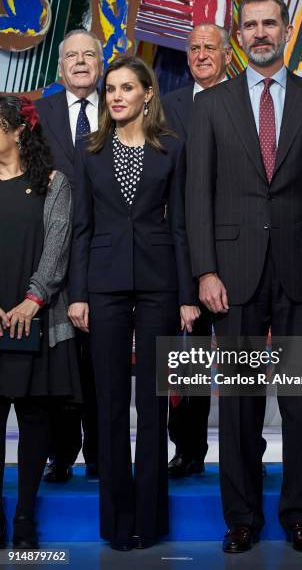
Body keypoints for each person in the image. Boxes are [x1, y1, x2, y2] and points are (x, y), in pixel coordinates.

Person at [186, 0, 302, 554]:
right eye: (250, 25)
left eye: (269, 24)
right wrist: (204, 269)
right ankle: (242, 520)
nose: (259, 33)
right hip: (232, 274)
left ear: (285, 30)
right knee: (239, 405)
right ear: (239, 33)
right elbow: (196, 197)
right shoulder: (210, 105)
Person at [68, 55, 199, 551]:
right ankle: (116, 523)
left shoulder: (171, 149)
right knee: (110, 404)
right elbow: (81, 227)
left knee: (153, 405)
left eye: (127, 88)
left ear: (147, 94)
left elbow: (181, 224)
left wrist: (188, 294)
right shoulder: (89, 151)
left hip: (159, 282)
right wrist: (77, 293)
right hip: (101, 285)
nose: (116, 96)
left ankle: (149, 520)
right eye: (110, 90)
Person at [0, 95, 80, 548]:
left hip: (38, 319)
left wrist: (34, 298)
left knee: (34, 422)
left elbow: (58, 248)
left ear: (17, 131)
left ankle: (25, 517)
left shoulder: (53, 182)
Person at [162, 23, 232, 478]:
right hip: (182, 247)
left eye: (210, 47)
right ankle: (186, 448)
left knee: (238, 356)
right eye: (193, 48)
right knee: (185, 356)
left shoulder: (247, 100)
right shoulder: (167, 106)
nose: (201, 54)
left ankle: (247, 448)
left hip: (239, 247)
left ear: (229, 54)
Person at [36, 29, 104, 482]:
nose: (80, 62)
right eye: (71, 57)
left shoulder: (125, 107)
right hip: (54, 250)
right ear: (60, 69)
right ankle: (60, 453)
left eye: (89, 55)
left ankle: (102, 454)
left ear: (101, 63)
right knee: (60, 355)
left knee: (103, 358)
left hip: (108, 248)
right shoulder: (39, 115)